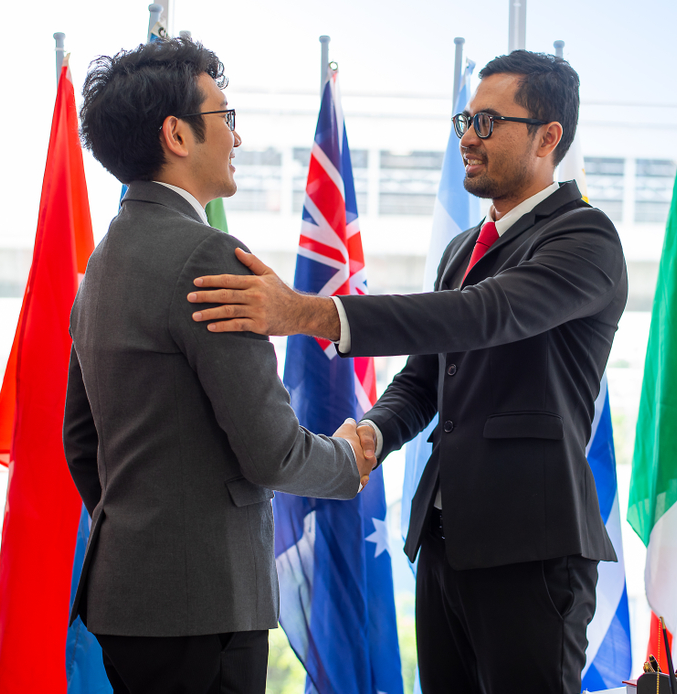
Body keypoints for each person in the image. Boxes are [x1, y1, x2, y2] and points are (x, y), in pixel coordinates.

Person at [189, 50, 627, 693]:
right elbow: (428, 376)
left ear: (548, 136)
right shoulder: (463, 249)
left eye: (486, 122)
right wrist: (375, 433)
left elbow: (484, 315)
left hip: (532, 548)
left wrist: (308, 313)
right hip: (446, 543)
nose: (468, 138)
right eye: (464, 120)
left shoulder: (584, 239)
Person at [64, 38, 373, 694]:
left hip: (126, 598)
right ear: (177, 134)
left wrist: (147, 524)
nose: (237, 136)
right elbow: (271, 454)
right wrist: (348, 459)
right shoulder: (206, 259)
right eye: (225, 118)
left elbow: (80, 443)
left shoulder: (99, 266)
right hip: (200, 603)